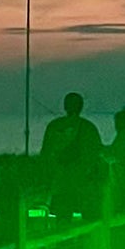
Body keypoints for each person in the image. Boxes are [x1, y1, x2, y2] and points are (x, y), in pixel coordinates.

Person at [41, 91, 103, 221]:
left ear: (64, 106)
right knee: (89, 219)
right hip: (81, 183)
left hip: (61, 182)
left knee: (63, 218)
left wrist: (47, 177)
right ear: (81, 106)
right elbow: (95, 155)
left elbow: (45, 155)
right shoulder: (88, 127)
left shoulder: (54, 126)